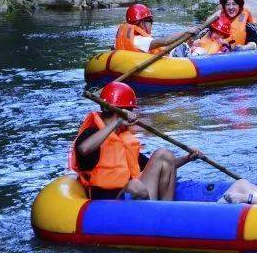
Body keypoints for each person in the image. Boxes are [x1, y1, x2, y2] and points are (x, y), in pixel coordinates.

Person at [69, 82, 198, 200]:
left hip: (129, 199)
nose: (132, 115)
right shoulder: (92, 132)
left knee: (163, 155)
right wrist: (117, 122)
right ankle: (154, 214)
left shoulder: (121, 138)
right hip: (104, 202)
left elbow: (164, 164)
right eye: (129, 111)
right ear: (120, 111)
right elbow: (83, 149)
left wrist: (188, 158)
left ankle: (165, 211)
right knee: (135, 186)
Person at [115, 4, 198, 54]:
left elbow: (162, 46)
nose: (151, 24)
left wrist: (184, 40)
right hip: (158, 70)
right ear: (142, 23)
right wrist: (186, 30)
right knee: (198, 50)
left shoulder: (124, 40)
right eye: (150, 21)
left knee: (184, 46)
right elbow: (166, 41)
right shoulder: (141, 41)